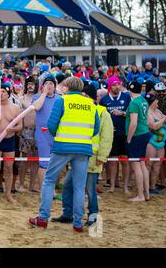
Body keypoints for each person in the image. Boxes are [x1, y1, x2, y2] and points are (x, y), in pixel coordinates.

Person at [29, 77, 99, 232]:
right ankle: (78, 223)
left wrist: (59, 134)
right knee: (79, 187)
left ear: (66, 87)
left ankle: (43, 218)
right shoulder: (91, 104)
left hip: (62, 146)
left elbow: (51, 125)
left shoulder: (62, 101)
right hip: (83, 148)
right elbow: (96, 128)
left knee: (49, 181)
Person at [53, 84, 113, 226]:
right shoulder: (82, 108)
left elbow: (107, 136)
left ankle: (92, 217)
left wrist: (102, 156)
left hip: (93, 158)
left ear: (86, 95)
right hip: (79, 155)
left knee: (90, 189)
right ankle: (68, 213)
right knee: (68, 185)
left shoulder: (103, 113)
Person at [99, 76, 131, 194]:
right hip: (111, 134)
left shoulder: (126, 97)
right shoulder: (104, 100)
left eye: (118, 84)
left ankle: (126, 186)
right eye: (114, 85)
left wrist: (122, 113)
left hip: (124, 133)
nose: (117, 87)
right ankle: (112, 186)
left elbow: (132, 114)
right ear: (110, 86)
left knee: (125, 160)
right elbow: (102, 117)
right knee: (112, 161)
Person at [31, 74, 61, 193]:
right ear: (42, 86)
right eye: (46, 84)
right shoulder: (37, 97)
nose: (49, 86)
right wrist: (43, 93)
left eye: (51, 84)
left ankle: (52, 188)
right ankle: (44, 190)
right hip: (42, 134)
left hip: (56, 134)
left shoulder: (59, 98)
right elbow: (36, 107)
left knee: (54, 163)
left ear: (55, 86)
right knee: (44, 163)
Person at [125, 79, 151, 202]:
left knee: (137, 166)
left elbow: (133, 123)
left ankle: (140, 195)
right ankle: (147, 194)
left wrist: (129, 138)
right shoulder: (143, 101)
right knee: (142, 164)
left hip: (137, 135)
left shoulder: (134, 103)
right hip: (145, 133)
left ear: (130, 90)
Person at [145, 93, 166, 195]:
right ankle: (146, 187)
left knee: (157, 166)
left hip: (161, 143)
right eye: (156, 101)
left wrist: (164, 121)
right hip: (151, 142)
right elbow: (153, 126)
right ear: (152, 102)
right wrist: (163, 120)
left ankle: (152, 187)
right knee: (148, 165)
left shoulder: (158, 111)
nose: (158, 102)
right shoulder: (148, 113)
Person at [18, 76, 39, 192]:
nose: (30, 86)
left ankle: (32, 185)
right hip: (26, 130)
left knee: (36, 159)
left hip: (38, 132)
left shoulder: (39, 98)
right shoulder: (22, 99)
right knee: (24, 158)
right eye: (29, 84)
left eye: (33, 84)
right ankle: (21, 184)